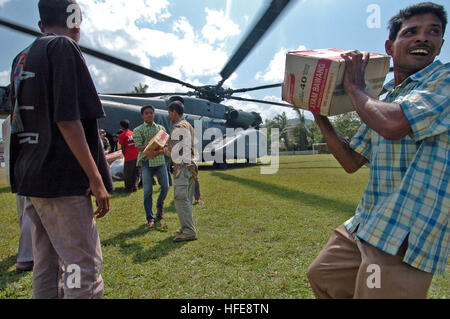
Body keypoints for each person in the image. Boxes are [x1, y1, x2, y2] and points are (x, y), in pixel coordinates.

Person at [306, 2, 448, 299]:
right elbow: (351, 160)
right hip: (366, 222)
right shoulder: (385, 99)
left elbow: (393, 124)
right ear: (390, 46)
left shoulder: (443, 81)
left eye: (433, 32)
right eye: (411, 32)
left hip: (405, 232)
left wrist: (355, 87)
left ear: (440, 44)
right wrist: (318, 113)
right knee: (322, 275)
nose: (423, 38)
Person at [9, 0, 113, 298]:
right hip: (62, 182)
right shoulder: (63, 48)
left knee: (47, 264)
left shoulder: (22, 57)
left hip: (33, 181)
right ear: (76, 22)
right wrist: (95, 179)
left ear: (41, 24)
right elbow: (68, 119)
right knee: (81, 268)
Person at [148, 99, 198, 242]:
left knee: (181, 199)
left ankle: (189, 231)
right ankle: (186, 226)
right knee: (187, 199)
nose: (169, 116)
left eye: (170, 113)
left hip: (182, 168)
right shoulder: (188, 125)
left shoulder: (177, 127)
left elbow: (174, 152)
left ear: (174, 112)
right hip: (191, 167)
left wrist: (159, 151)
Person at [2, 117, 34, 272]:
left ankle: (28, 251)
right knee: (31, 212)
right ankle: (27, 256)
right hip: (30, 168)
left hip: (15, 170)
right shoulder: (30, 112)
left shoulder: (8, 120)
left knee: (23, 211)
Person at [133, 105, 170, 228]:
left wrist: (159, 151)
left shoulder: (161, 129)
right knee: (147, 191)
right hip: (146, 162)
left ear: (154, 114)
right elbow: (138, 146)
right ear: (142, 115)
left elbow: (165, 144)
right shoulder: (138, 130)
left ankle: (159, 205)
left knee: (166, 186)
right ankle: (150, 218)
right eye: (147, 113)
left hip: (160, 161)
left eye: (151, 113)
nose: (149, 115)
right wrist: (150, 148)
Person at [118, 119, 139, 193]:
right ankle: (135, 187)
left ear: (121, 127)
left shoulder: (122, 135)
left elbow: (122, 147)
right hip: (137, 155)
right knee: (135, 172)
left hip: (129, 156)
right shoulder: (133, 133)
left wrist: (125, 155)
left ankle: (128, 189)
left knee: (127, 173)